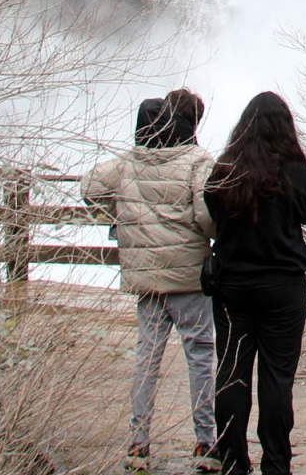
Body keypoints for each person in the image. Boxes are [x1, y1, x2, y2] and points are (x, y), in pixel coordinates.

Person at [82, 91, 221, 473]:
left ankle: (139, 443)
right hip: (189, 278)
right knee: (200, 358)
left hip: (146, 282)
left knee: (147, 360)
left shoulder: (128, 162)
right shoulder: (196, 161)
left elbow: (89, 187)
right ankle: (206, 443)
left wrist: (120, 215)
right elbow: (207, 217)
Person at [204, 92, 306, 475]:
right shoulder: (291, 172)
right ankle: (276, 464)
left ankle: (232, 463)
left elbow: (212, 212)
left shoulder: (225, 170)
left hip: (233, 288)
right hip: (282, 288)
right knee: (277, 378)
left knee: (231, 375)